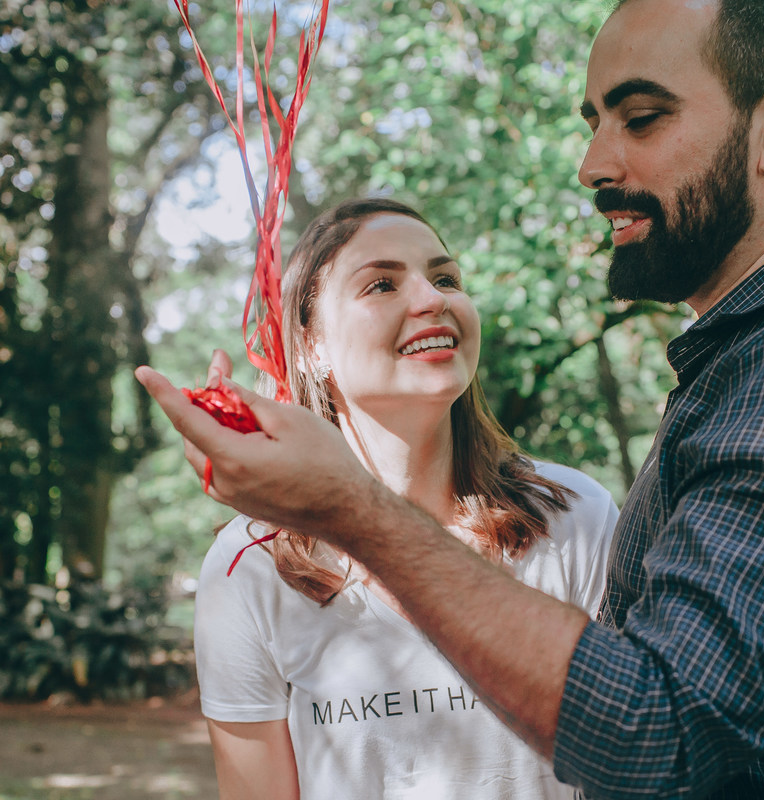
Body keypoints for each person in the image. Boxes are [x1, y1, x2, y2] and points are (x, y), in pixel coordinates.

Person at [138, 0, 764, 797]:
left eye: (643, 116)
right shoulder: (755, 365)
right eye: (595, 124)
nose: (593, 165)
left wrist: (348, 506)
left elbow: (654, 730)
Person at [192, 197, 616, 799]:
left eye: (445, 278)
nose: (432, 298)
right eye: (382, 285)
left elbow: (627, 758)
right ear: (311, 345)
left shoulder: (575, 515)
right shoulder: (251, 563)